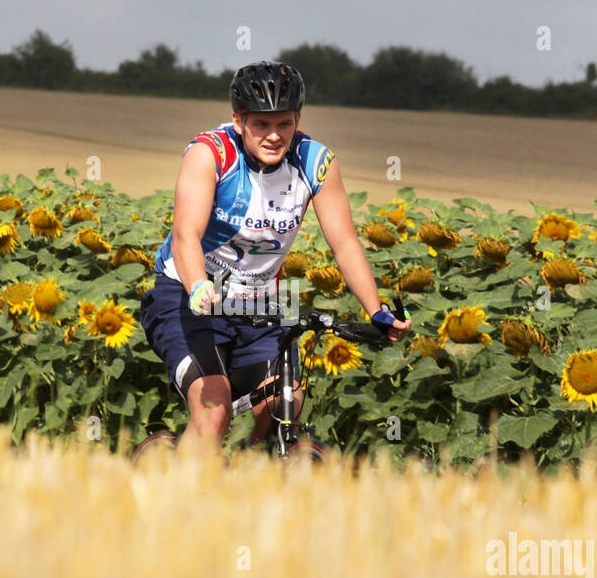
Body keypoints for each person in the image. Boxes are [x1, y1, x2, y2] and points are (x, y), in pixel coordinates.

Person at [139, 60, 411, 457]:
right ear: (238, 120)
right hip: (186, 294)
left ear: (298, 119)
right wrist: (198, 285)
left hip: (260, 301)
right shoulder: (210, 154)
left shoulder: (315, 162)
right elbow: (186, 235)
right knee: (213, 411)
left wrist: (377, 312)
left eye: (284, 124)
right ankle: (180, 507)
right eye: (261, 125)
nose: (273, 135)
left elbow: (346, 245)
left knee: (284, 402)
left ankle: (251, 482)